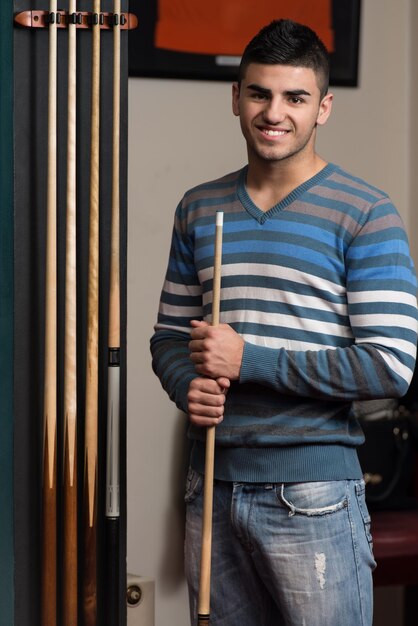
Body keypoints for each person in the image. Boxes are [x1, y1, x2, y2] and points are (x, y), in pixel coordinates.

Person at [150, 18, 418, 626]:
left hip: (313, 497)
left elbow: (390, 366)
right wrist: (185, 384)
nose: (275, 112)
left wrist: (249, 361)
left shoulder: (366, 213)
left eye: (295, 97)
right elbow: (169, 336)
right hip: (211, 483)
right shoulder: (199, 206)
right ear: (236, 98)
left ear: (323, 107)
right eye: (260, 94)